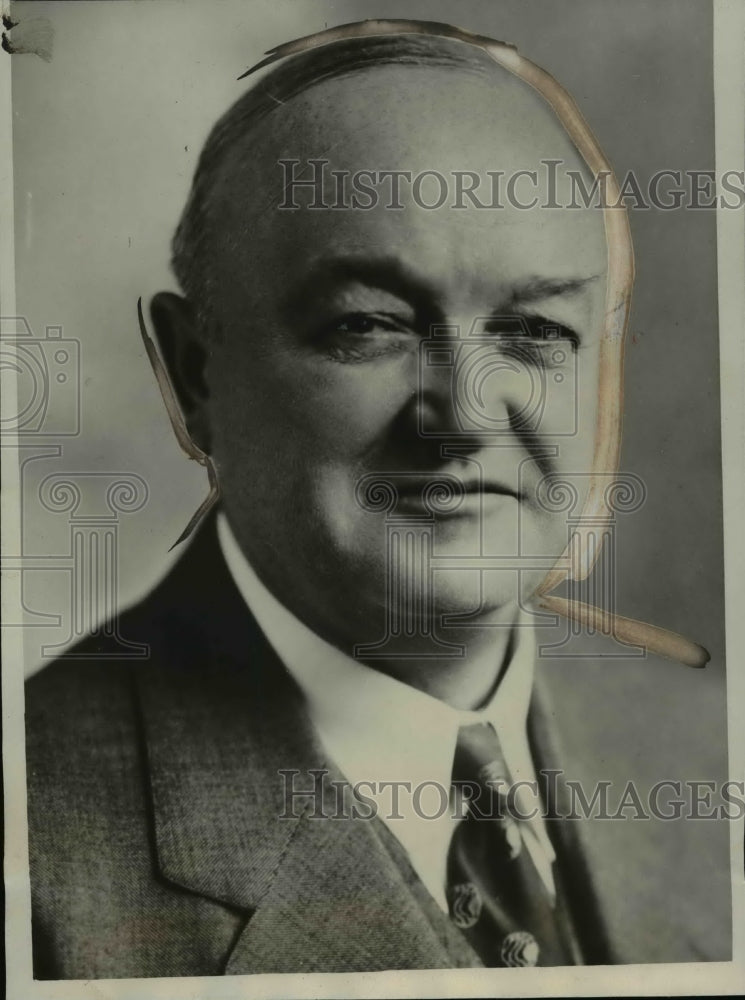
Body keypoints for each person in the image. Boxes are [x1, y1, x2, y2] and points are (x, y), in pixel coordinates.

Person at [25, 20, 731, 979]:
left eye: (532, 328)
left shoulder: (708, 748)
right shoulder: (34, 843)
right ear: (196, 372)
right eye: (369, 324)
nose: (466, 416)